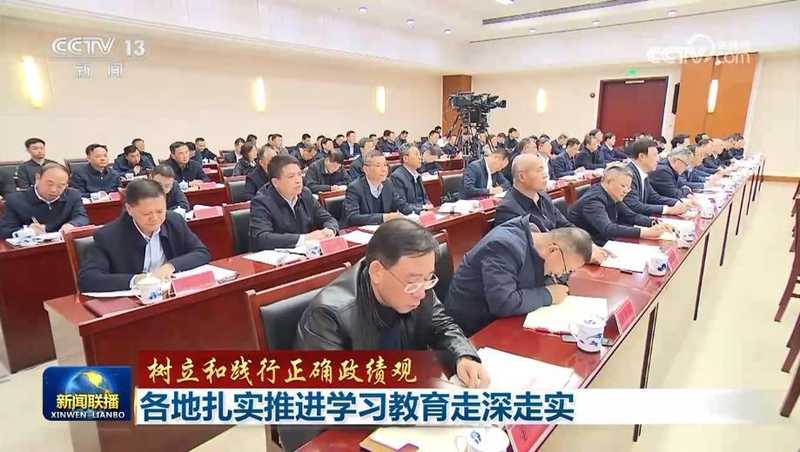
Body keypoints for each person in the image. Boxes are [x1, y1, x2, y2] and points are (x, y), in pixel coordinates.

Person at [295, 218, 487, 382]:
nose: (421, 294)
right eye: (413, 281)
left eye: (428, 278)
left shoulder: (419, 285)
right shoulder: (328, 317)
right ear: (377, 272)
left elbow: (442, 325)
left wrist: (463, 356)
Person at [445, 214, 592, 336]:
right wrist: (548, 295)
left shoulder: (540, 238)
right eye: (566, 269)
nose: (561, 274)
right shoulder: (503, 247)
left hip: (503, 320)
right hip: (472, 328)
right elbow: (503, 303)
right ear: (553, 250)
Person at [78, 179, 211, 292]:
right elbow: (88, 279)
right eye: (147, 214)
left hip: (170, 293)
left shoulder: (174, 221)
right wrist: (137, 280)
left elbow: (202, 252)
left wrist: (170, 266)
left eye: (160, 211)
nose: (155, 218)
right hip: (135, 301)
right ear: (129, 209)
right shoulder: (108, 236)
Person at [495, 153, 609, 259]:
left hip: (562, 257)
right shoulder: (508, 209)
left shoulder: (543, 196)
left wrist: (589, 246)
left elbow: (566, 226)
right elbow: (533, 251)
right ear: (522, 177)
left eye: (544, 169)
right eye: (539, 170)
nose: (546, 175)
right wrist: (581, 255)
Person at [249, 155, 338, 251]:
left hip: (306, 254)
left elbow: (328, 219)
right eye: (291, 176)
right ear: (275, 182)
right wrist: (305, 239)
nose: (298, 180)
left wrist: (330, 230)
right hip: (277, 257)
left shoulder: (305, 193)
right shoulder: (261, 202)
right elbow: (262, 238)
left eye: (299, 174)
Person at [566, 166, 672, 245]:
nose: (626, 191)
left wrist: (655, 223)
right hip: (586, 246)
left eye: (628, 187)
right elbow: (608, 229)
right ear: (609, 182)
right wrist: (645, 232)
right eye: (623, 186)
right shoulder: (593, 200)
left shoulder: (612, 194)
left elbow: (631, 216)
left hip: (604, 242)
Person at [0, 163, 89, 238]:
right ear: (38, 178)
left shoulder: (73, 195)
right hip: (33, 249)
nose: (53, 190)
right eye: (49, 184)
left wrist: (72, 225)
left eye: (60, 186)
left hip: (63, 244)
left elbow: (82, 217)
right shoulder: (15, 200)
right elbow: (5, 230)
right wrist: (27, 231)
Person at [342, 150, 412, 226]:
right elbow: (352, 217)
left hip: (383, 228)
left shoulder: (388, 184)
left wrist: (420, 211)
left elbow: (401, 205)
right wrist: (383, 218)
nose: (384, 170)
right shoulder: (355, 188)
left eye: (385, 165)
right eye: (378, 166)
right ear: (366, 169)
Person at [623, 139, 689, 216]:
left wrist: (677, 202)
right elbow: (634, 206)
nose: (658, 159)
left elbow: (654, 197)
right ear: (642, 156)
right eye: (655, 155)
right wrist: (668, 210)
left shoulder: (642, 173)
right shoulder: (628, 174)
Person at [390, 144, 432, 213]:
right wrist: (422, 209)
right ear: (405, 158)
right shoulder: (397, 177)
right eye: (416, 154)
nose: (420, 158)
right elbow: (402, 206)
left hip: (423, 212)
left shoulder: (417, 175)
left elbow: (425, 198)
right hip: (411, 216)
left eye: (420, 154)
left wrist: (429, 205)